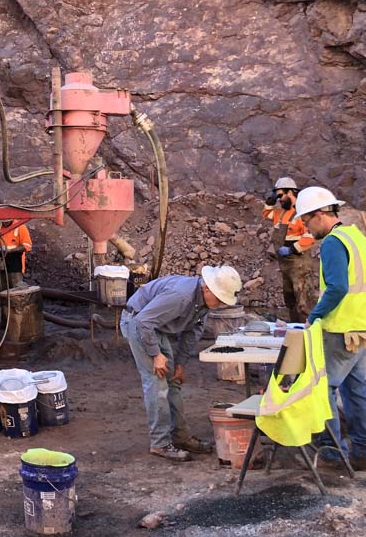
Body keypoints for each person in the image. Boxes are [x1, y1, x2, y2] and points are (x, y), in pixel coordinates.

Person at [294, 186, 366, 472]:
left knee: (324, 389)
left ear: (320, 215)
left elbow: (337, 288)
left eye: (307, 221)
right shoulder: (356, 236)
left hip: (343, 331)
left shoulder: (333, 243)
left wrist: (315, 315)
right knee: (355, 389)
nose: (307, 228)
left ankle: (335, 457)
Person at [120, 265, 243, 462]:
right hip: (138, 322)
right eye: (219, 299)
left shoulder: (203, 302)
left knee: (173, 382)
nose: (220, 304)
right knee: (157, 382)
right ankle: (159, 443)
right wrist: (156, 355)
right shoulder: (181, 296)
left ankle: (180, 437)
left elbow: (192, 333)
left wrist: (180, 364)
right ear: (208, 288)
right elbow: (143, 322)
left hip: (156, 327)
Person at [263, 176, 317, 322]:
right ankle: (295, 328)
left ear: (291, 192)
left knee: (304, 300)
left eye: (281, 195)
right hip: (285, 265)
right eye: (277, 196)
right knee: (290, 299)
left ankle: (308, 331)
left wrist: (292, 249)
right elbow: (267, 214)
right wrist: (270, 201)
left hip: (299, 264)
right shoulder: (280, 213)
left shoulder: (302, 213)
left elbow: (309, 237)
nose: (279, 199)